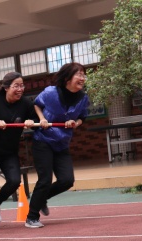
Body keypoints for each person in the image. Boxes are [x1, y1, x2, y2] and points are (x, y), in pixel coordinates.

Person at [25, 62, 89, 228]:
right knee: (45, 179)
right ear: (67, 78)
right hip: (43, 140)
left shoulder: (83, 98)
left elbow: (82, 117)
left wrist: (75, 123)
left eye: (83, 75)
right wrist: (42, 119)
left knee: (67, 180)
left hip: (62, 143)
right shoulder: (51, 92)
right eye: (79, 74)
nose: (82, 78)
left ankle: (42, 198)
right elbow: (37, 104)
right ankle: (31, 217)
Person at [0, 72, 37, 232]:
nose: (20, 89)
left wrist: (31, 122)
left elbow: (35, 120)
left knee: (14, 181)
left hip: (9, 151)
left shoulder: (26, 103)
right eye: (16, 86)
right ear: (6, 87)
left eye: (22, 85)